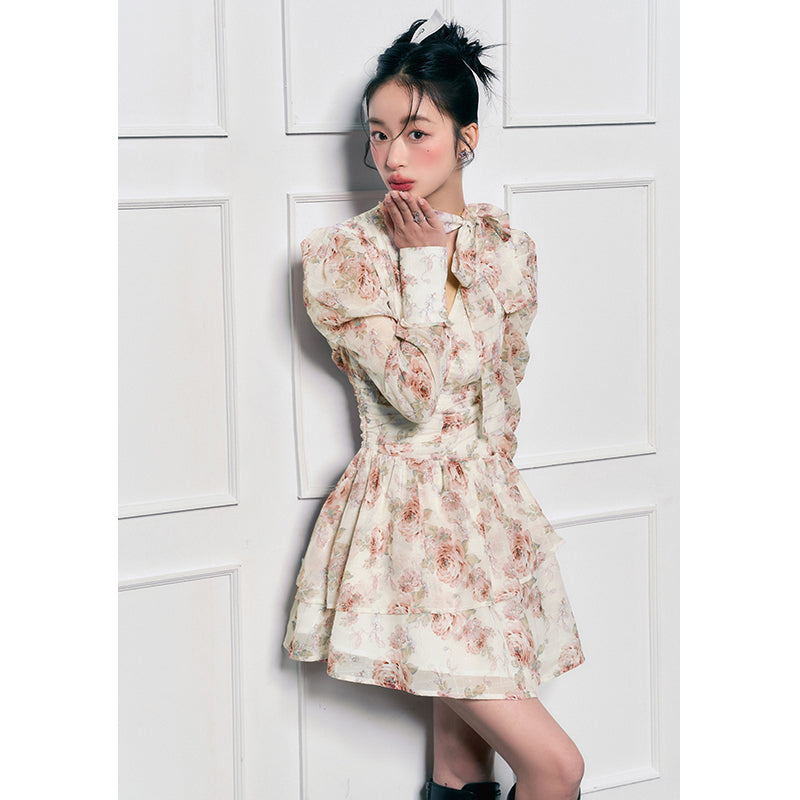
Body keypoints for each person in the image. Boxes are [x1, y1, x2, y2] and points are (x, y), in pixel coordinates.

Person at [283, 14, 586, 800]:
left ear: (466, 138)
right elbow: (416, 397)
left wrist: (501, 524)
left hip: (484, 522)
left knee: (461, 764)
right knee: (556, 768)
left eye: (416, 133)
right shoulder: (343, 257)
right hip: (404, 523)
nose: (392, 157)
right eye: (378, 134)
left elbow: (502, 396)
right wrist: (422, 267)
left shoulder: (506, 249)